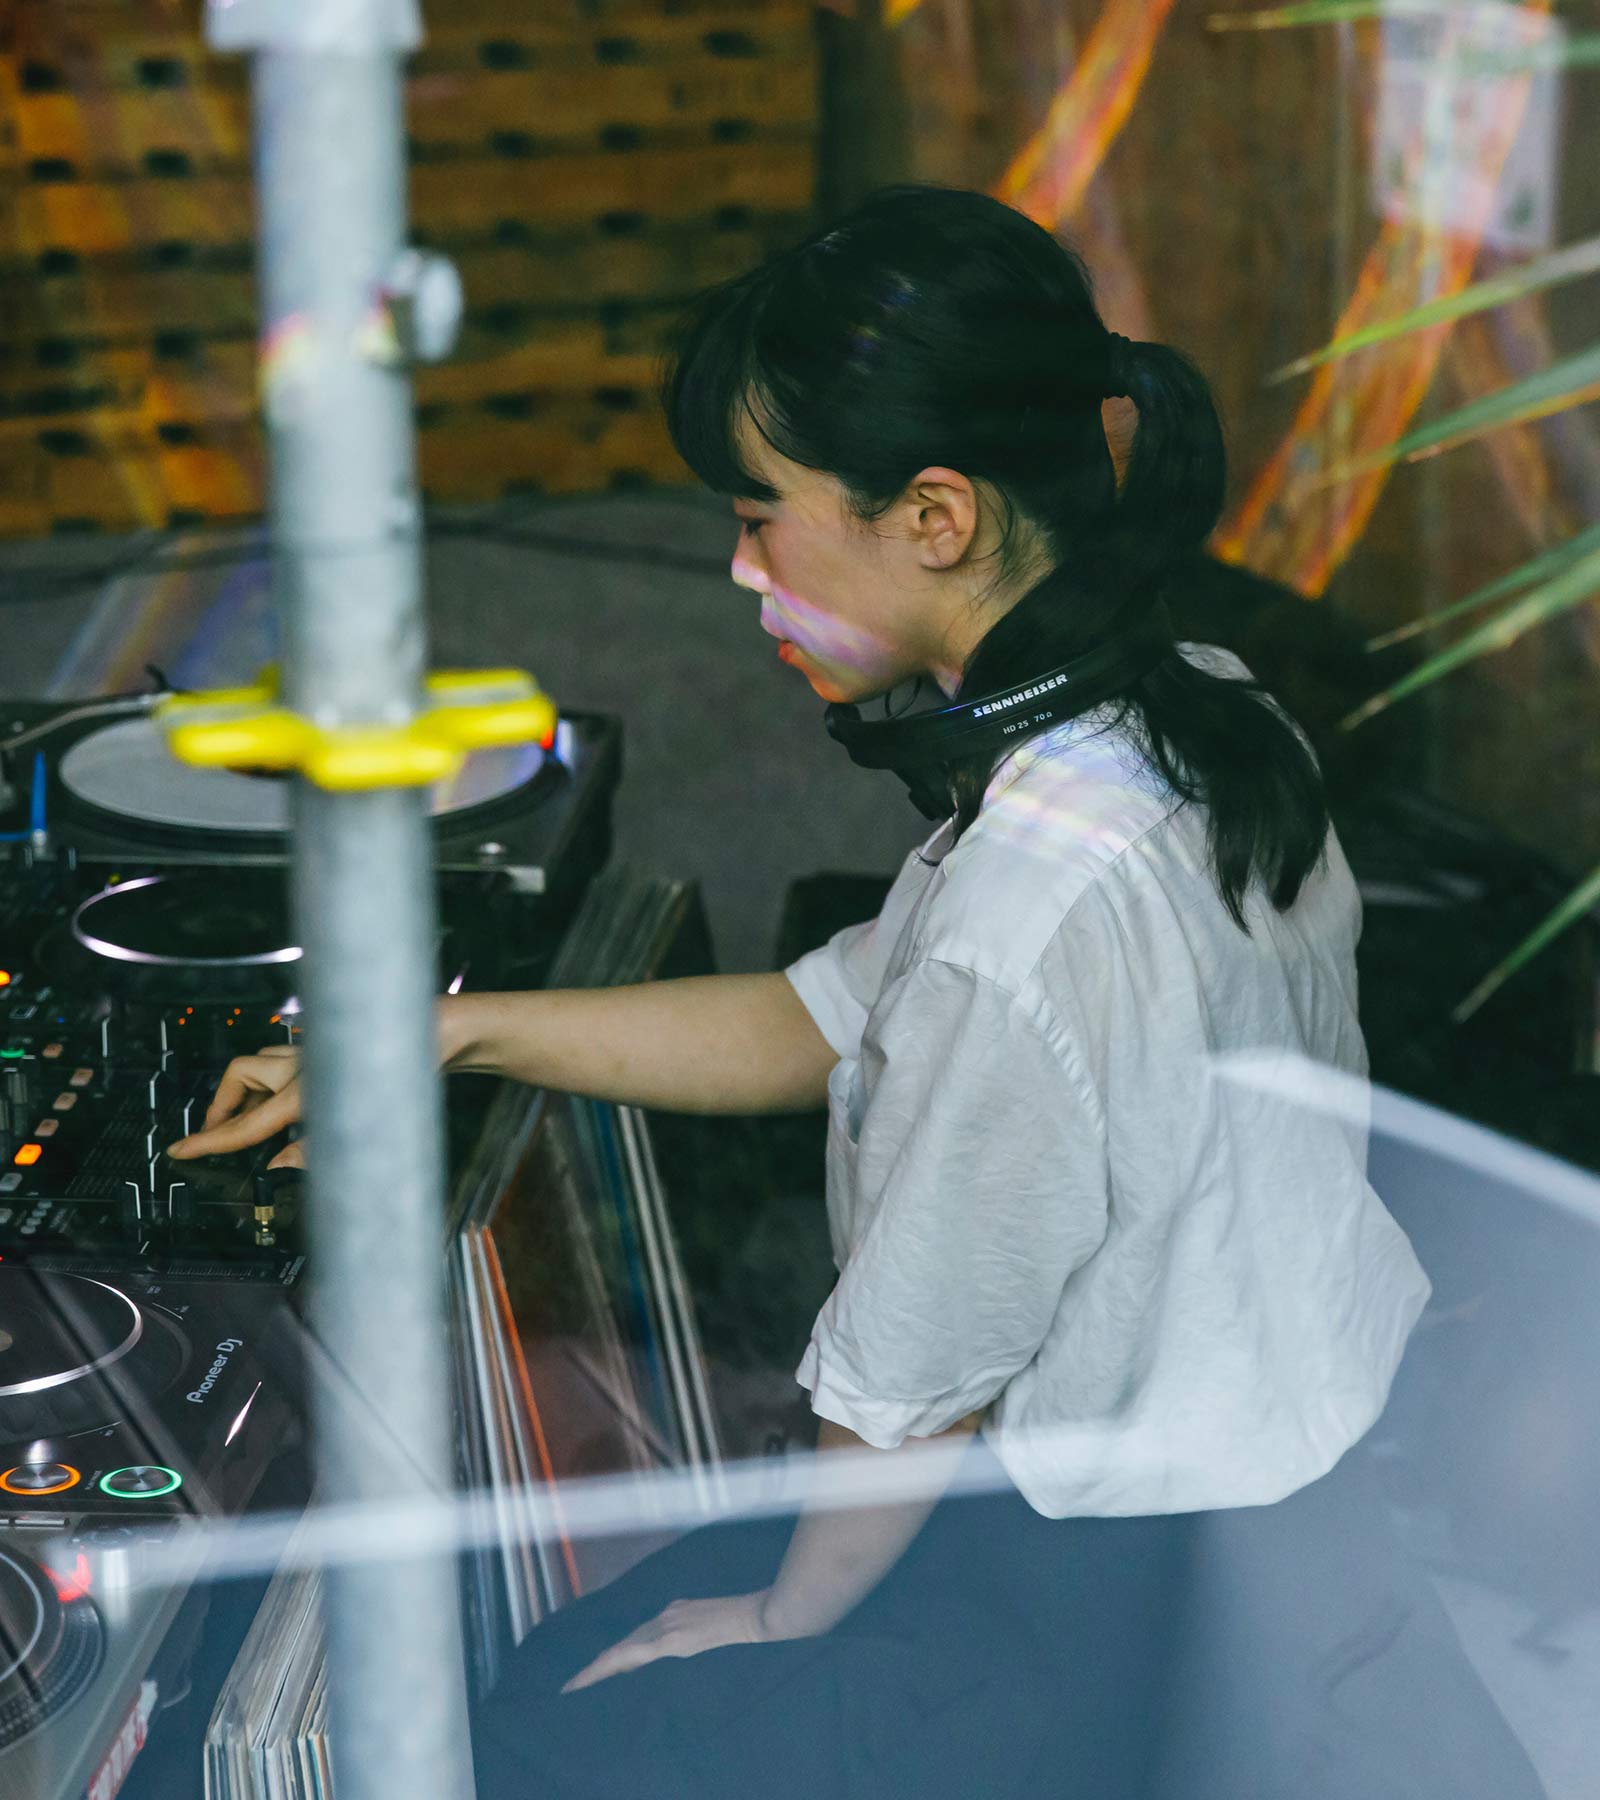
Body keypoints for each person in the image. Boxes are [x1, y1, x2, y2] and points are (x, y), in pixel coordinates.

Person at [170, 187, 1544, 1799]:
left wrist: (777, 1619)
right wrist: (445, 1035)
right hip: (1260, 1503)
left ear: (936, 518)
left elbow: (904, 1395)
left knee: (536, 1740)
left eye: (762, 518)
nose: (738, 568)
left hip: (1112, 1581)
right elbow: (819, 1016)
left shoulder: (1024, 912)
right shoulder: (1190, 720)